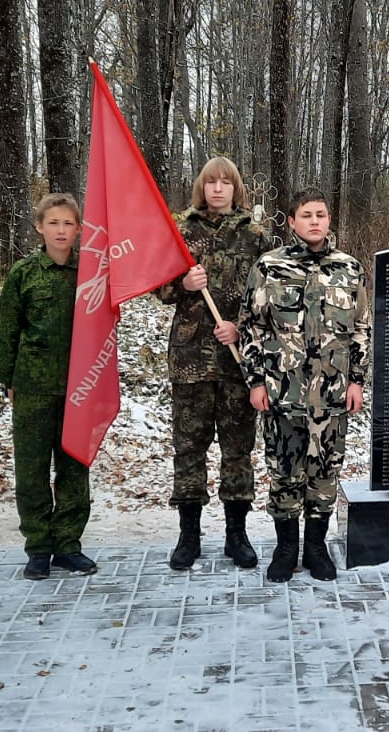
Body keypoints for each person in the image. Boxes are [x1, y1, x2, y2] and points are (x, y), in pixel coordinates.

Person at [239, 188, 370, 583]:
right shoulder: (269, 267)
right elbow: (252, 326)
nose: (315, 221)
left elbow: (361, 328)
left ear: (329, 220)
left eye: (321, 215)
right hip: (283, 394)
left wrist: (357, 381)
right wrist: (256, 380)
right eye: (306, 215)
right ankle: (286, 548)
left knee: (325, 472)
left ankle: (316, 547)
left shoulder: (349, 268)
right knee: (284, 473)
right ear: (292, 221)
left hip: (331, 396)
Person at [154, 157, 278, 571]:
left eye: (226, 182)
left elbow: (271, 296)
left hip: (236, 363)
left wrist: (240, 329)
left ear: (236, 188)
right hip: (190, 360)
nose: (218, 189)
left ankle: (236, 534)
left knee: (237, 449)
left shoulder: (256, 235)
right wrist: (181, 284)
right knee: (189, 449)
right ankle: (188, 535)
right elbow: (158, 287)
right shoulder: (180, 230)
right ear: (201, 188)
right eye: (212, 182)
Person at [0, 193, 98, 580]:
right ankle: (38, 546)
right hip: (34, 386)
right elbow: (9, 329)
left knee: (74, 467)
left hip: (79, 386)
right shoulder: (24, 273)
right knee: (32, 469)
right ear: (39, 227)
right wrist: (8, 378)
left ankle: (68, 544)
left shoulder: (89, 272)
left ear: (78, 228)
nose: (60, 230)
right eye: (53, 223)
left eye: (68, 223)